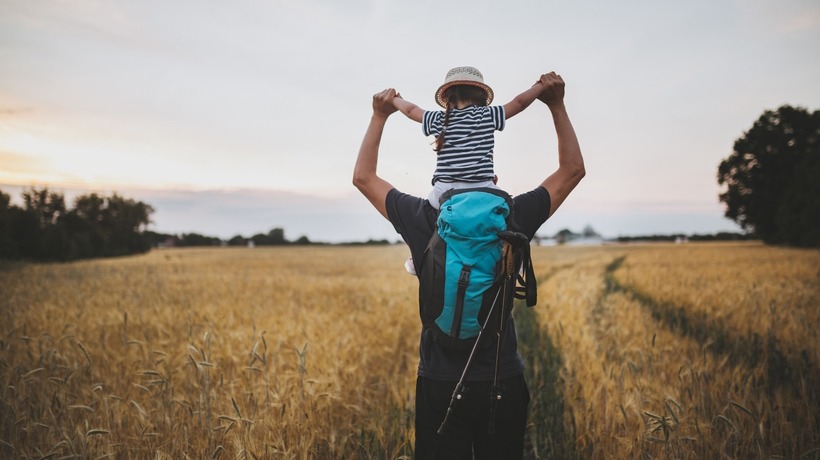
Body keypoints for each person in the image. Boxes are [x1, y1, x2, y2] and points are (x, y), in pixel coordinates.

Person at [353, 71, 584, 459]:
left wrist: (380, 114)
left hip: (440, 382)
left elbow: (363, 177)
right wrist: (556, 104)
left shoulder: (423, 216)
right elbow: (572, 170)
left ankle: (416, 263)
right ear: (490, 178)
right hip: (501, 377)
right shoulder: (510, 214)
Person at [392, 66, 545, 210]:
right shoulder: (488, 115)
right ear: (482, 96)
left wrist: (395, 99)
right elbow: (519, 103)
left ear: (446, 97)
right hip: (482, 190)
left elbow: (411, 110)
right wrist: (540, 86)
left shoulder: (437, 118)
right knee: (504, 205)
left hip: (443, 195)